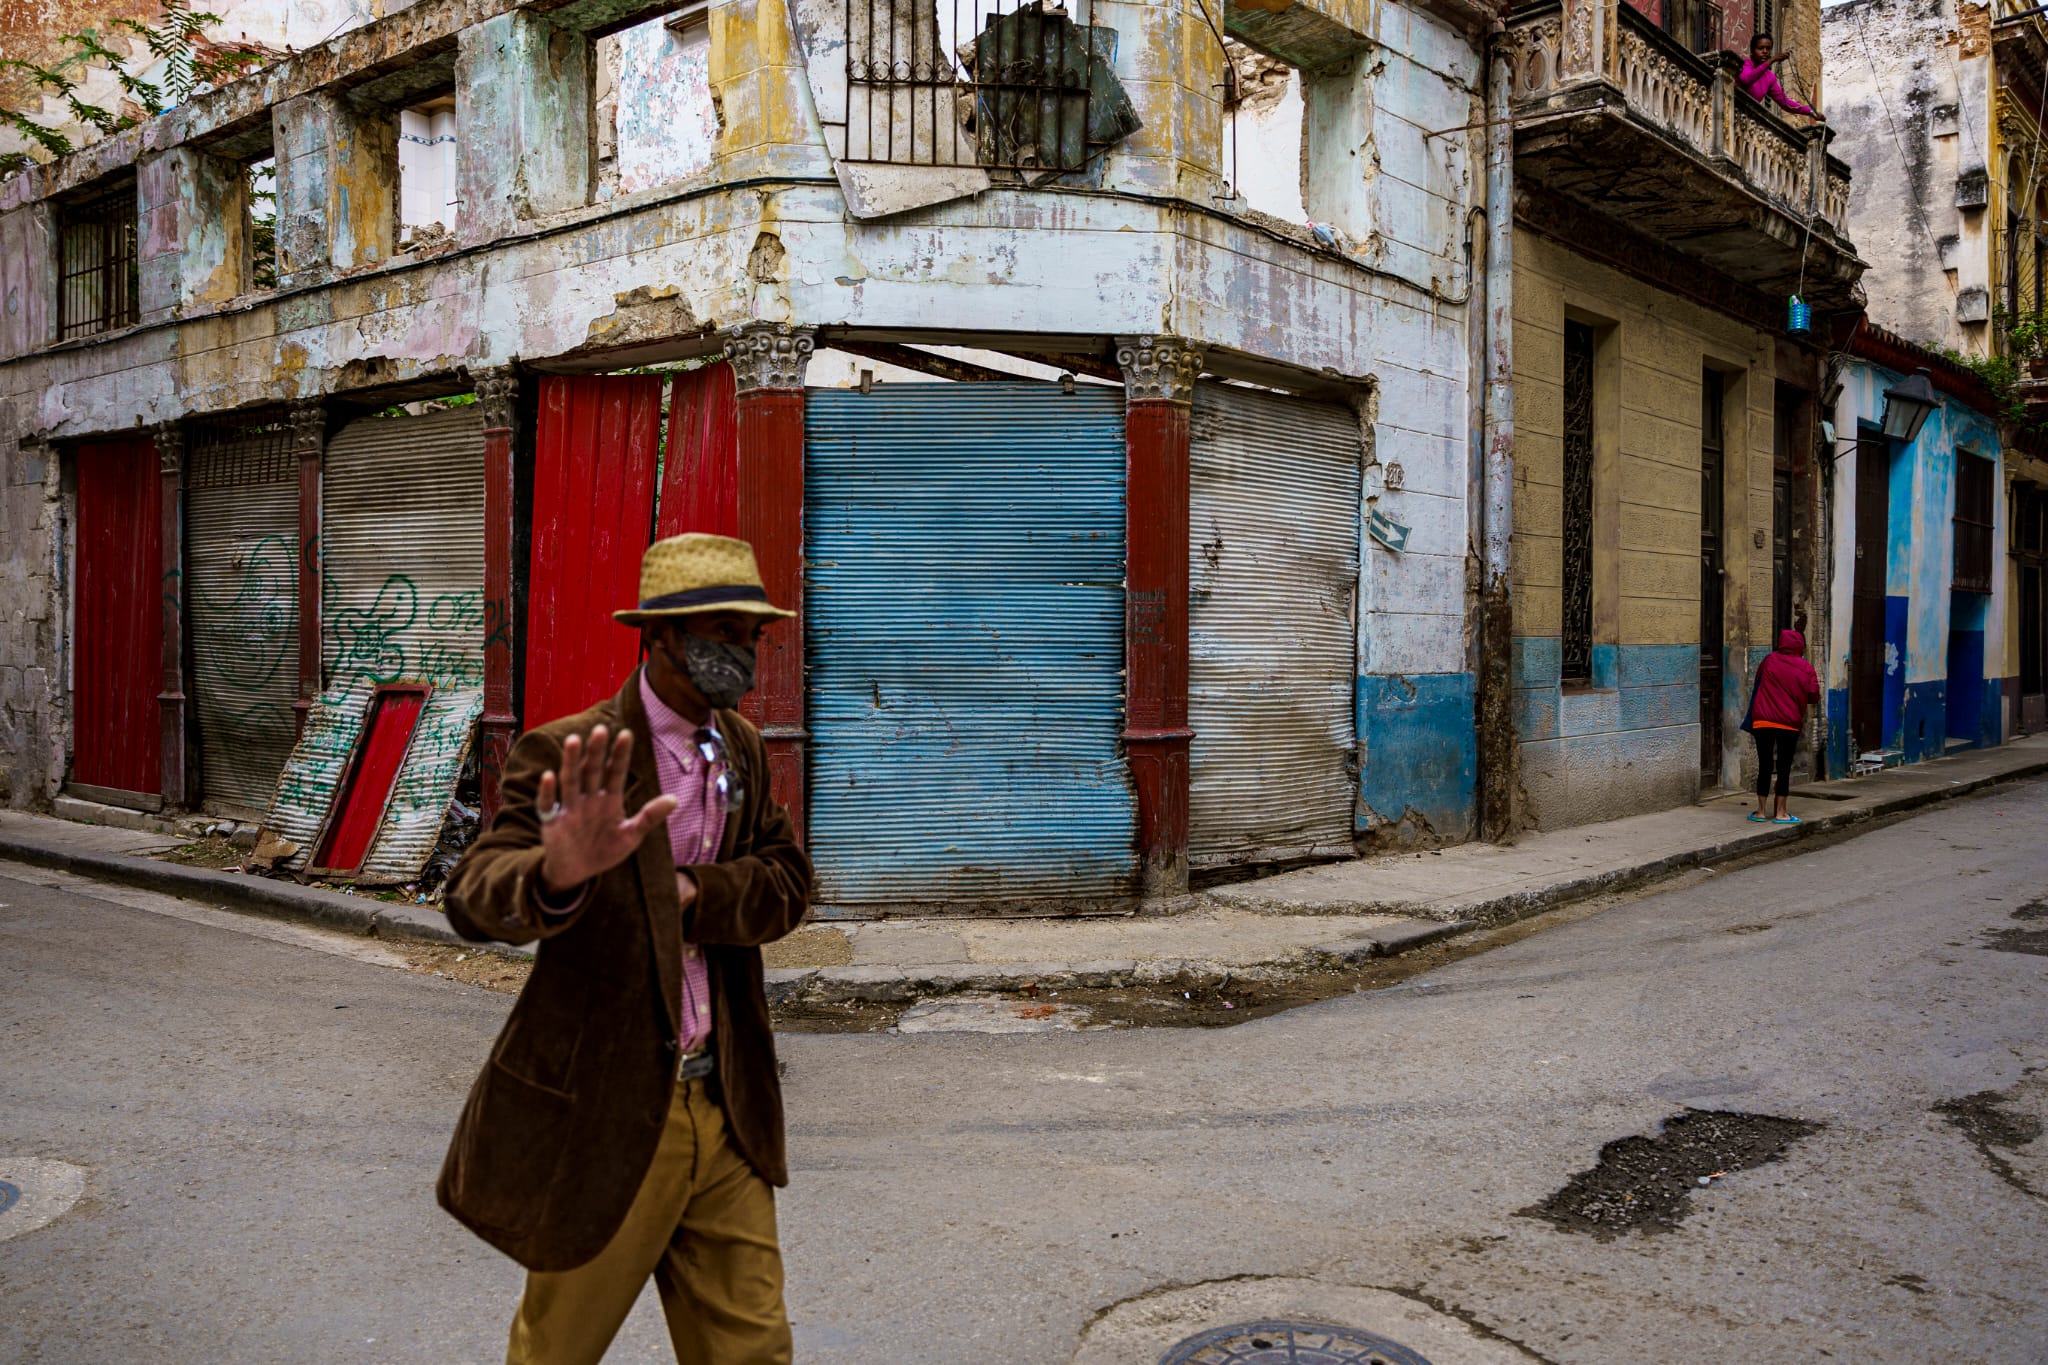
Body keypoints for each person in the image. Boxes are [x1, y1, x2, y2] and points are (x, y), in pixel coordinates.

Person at [437, 532, 812, 1365]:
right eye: (724, 631)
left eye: (753, 633)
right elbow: (474, 894)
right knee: (556, 1351)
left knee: (755, 1351)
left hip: (724, 1108)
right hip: (607, 1117)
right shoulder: (569, 752)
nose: (744, 651)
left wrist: (695, 894)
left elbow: (789, 880)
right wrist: (557, 873)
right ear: (663, 636)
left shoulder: (740, 749)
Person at [1743, 628, 1821, 825]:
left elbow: (1757, 682)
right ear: (1800, 647)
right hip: (1789, 723)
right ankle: (1781, 813)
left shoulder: (1769, 660)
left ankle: (1760, 812)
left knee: (1765, 765)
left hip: (1763, 720)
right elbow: (1813, 696)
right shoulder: (1806, 668)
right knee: (1784, 767)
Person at [1739, 34, 1822, 122]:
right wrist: (1771, 61)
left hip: (1748, 118)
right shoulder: (1745, 64)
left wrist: (1811, 111)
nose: (1765, 51)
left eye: (1768, 48)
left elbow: (1785, 103)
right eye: (1760, 48)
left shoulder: (1770, 77)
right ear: (1752, 52)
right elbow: (1746, 79)